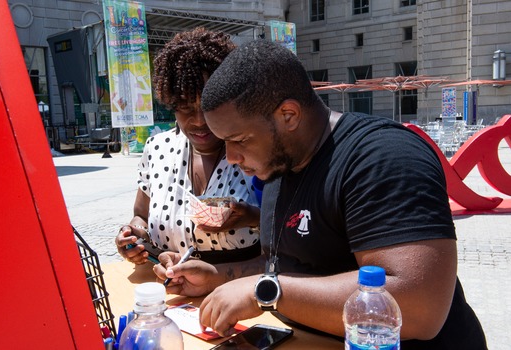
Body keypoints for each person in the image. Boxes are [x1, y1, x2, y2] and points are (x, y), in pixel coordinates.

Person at [156, 40, 487, 349]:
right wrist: (218, 277)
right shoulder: (280, 162)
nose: (230, 156)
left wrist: (265, 292)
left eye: (239, 139)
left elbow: (419, 305)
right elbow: (289, 262)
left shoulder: (383, 157)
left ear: (288, 115)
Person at [115, 28, 262, 266]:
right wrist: (132, 235)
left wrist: (253, 218)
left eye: (208, 106)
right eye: (184, 107)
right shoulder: (157, 149)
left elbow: (289, 227)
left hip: (237, 293)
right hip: (170, 293)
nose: (198, 121)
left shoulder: (257, 150)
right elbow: (140, 216)